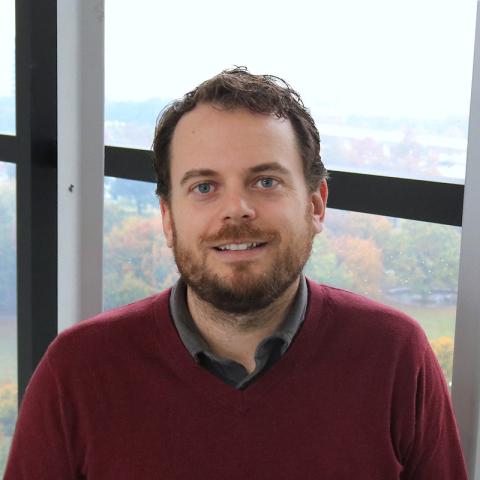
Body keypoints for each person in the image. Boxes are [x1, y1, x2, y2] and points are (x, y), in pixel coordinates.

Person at [5, 67, 468, 479]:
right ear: (168, 219)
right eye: (204, 187)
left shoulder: (394, 357)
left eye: (266, 181)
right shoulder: (78, 371)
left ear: (315, 204)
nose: (237, 211)